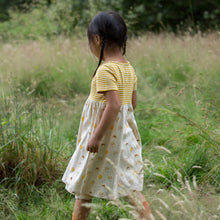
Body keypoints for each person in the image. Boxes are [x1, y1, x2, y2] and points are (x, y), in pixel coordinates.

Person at [62, 11, 153, 220]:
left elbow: (113, 106)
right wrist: (119, 127)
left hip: (100, 138)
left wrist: (96, 136)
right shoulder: (128, 68)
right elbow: (131, 104)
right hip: (122, 139)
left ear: (96, 39)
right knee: (131, 186)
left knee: (84, 186)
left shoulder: (105, 70)